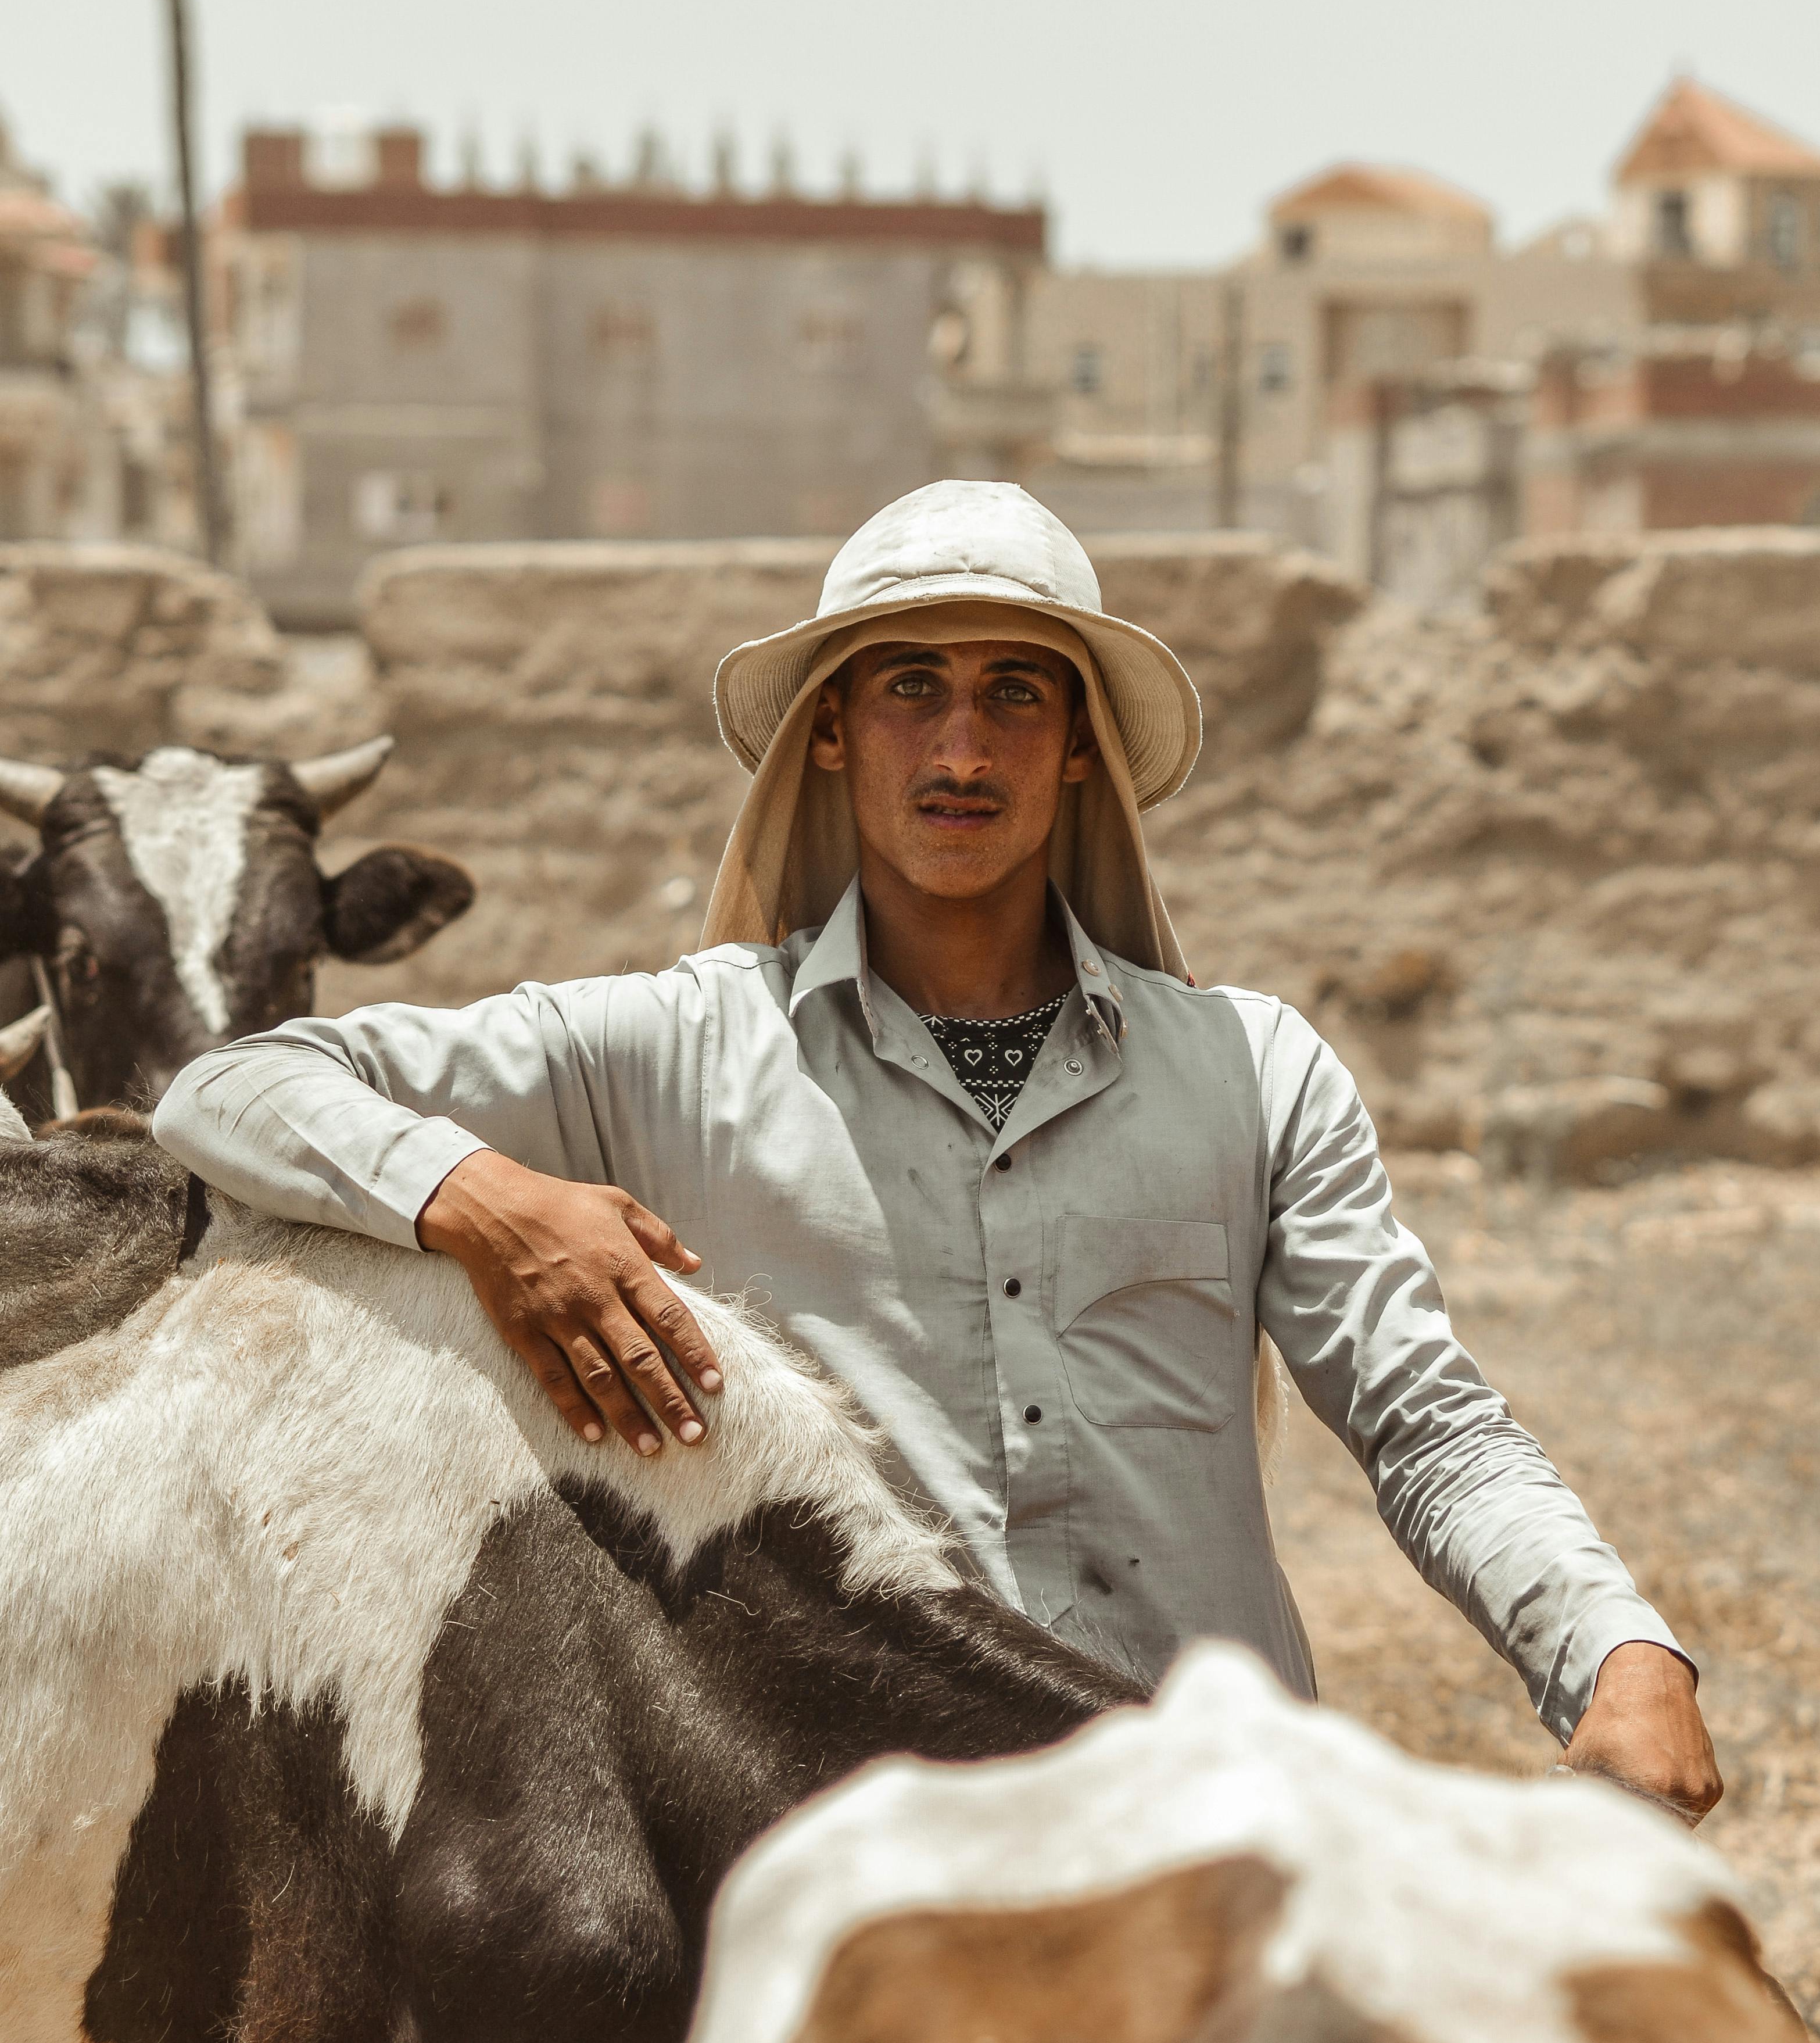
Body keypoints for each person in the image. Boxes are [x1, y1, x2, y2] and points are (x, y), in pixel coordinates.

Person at [154, 481, 1720, 1821]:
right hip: (840, 1845)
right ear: (830, 733)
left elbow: (1425, 1425)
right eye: (909, 686)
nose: (958, 743)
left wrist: (1613, 1649)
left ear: (1081, 747)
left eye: (1013, 694)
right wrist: (482, 1200)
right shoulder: (679, 1048)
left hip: (1211, 1815)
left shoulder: (1254, 1071)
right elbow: (231, 1092)